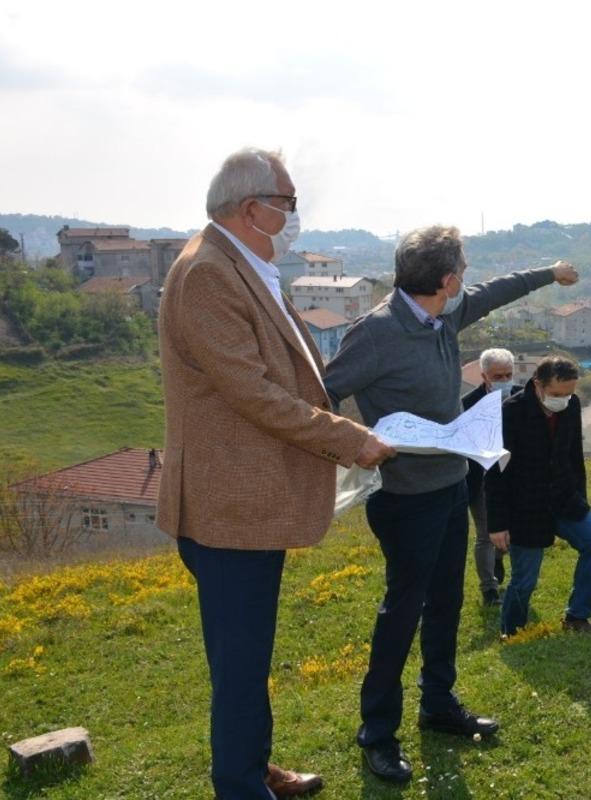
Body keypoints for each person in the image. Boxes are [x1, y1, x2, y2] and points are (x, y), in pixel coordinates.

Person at [157, 147, 394, 799]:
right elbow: (253, 392)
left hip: (247, 504)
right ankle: (239, 785)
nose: (294, 216)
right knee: (238, 665)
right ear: (250, 207)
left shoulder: (243, 264)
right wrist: (348, 439)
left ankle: (252, 767)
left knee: (248, 658)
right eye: (287, 203)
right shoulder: (208, 272)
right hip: (226, 508)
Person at [323, 225, 579, 784]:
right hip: (403, 498)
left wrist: (548, 274)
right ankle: (377, 733)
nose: (467, 282)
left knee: (446, 604)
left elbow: (494, 293)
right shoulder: (377, 333)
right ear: (446, 279)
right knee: (403, 610)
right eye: (462, 272)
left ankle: (437, 704)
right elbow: (322, 392)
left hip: (449, 487)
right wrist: (356, 443)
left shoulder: (443, 317)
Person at [485, 356, 591, 637]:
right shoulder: (511, 412)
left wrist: (581, 498)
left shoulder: (571, 405)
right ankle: (514, 632)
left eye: (569, 394)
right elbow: (495, 472)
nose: (563, 400)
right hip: (525, 507)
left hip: (565, 499)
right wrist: (497, 523)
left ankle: (577, 617)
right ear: (538, 385)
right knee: (525, 579)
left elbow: (574, 456)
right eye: (556, 395)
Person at [462, 347, 519, 606]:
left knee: (510, 531)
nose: (504, 381)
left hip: (513, 479)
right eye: (498, 376)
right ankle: (489, 590)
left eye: (508, 375)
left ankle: (499, 558)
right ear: (484, 376)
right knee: (486, 535)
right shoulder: (467, 405)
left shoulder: (521, 398)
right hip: (481, 481)